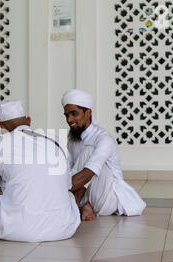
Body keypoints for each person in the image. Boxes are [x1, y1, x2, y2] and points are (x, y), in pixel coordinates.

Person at [0, 100, 81, 242]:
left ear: (1, 126)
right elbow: (66, 186)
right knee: (69, 197)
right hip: (64, 228)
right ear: (28, 121)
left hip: (18, 229)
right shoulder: (56, 141)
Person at [62, 89, 146, 221]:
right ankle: (84, 205)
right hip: (90, 195)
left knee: (89, 155)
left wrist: (56, 190)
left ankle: (73, 206)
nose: (69, 120)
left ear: (88, 112)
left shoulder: (104, 139)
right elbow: (69, 170)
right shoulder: (73, 139)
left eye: (74, 114)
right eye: (66, 115)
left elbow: (87, 175)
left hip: (109, 199)